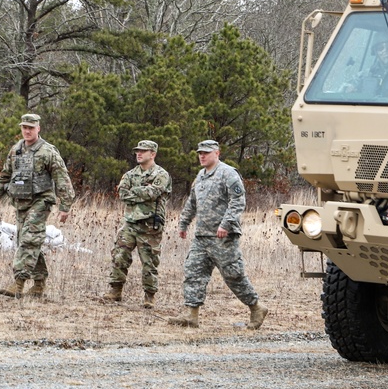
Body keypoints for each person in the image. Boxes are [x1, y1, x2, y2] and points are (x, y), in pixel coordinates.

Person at [167, 140, 268, 329]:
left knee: (233, 275)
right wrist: (184, 223)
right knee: (193, 272)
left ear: (217, 153)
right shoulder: (201, 176)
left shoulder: (228, 173)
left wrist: (226, 224)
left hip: (223, 237)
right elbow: (192, 202)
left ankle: (256, 307)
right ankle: (191, 315)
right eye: (200, 153)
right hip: (202, 236)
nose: (202, 156)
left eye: (206, 152)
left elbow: (238, 201)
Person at [0, 113, 75, 299]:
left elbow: (62, 179)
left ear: (38, 128)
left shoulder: (48, 151)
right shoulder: (16, 150)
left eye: (31, 128)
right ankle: (39, 284)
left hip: (41, 202)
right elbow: (5, 175)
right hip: (21, 203)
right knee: (28, 241)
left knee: (28, 240)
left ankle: (18, 283)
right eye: (24, 127)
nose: (27, 131)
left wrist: (65, 205)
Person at [102, 140, 172, 308]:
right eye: (137, 151)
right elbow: (122, 194)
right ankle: (115, 290)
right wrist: (142, 191)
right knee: (120, 256)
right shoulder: (130, 174)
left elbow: (153, 193)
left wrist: (137, 192)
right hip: (130, 223)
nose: (138, 154)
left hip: (150, 226)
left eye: (143, 151)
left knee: (149, 261)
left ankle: (149, 296)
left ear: (152, 154)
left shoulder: (161, 174)